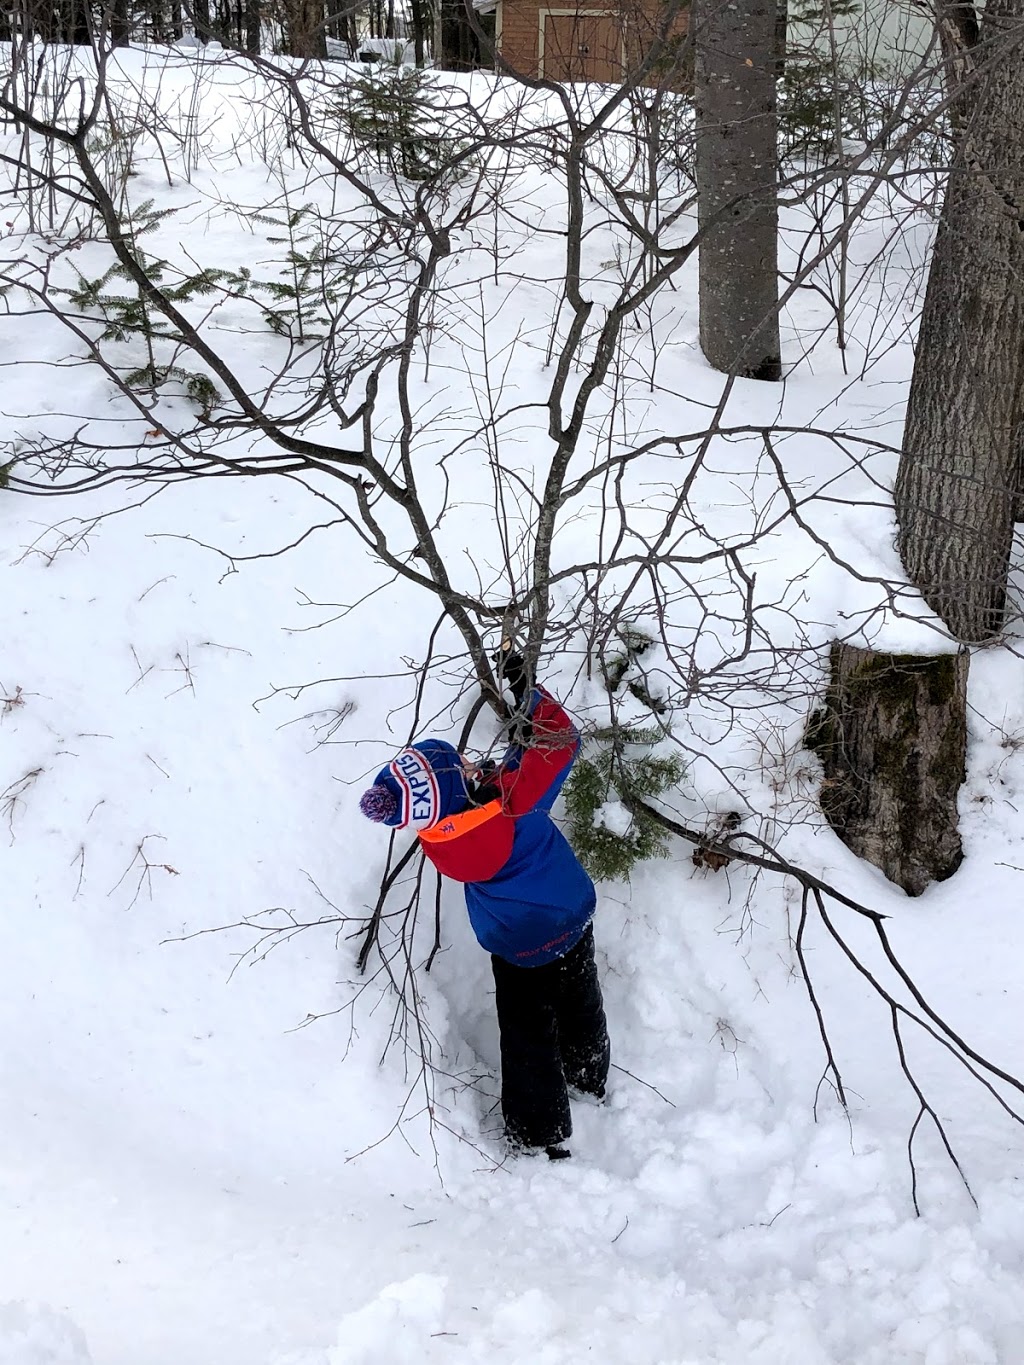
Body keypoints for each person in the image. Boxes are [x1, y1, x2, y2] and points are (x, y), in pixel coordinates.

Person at [358, 654, 610, 1161]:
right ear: (459, 785)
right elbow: (561, 743)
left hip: (515, 944)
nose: (474, 763)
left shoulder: (439, 841)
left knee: (525, 1032)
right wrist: (527, 691)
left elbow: (469, 807)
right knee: (580, 997)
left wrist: (480, 780)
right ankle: (588, 1077)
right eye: (463, 765)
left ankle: (538, 1132)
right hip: (568, 915)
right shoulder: (514, 798)